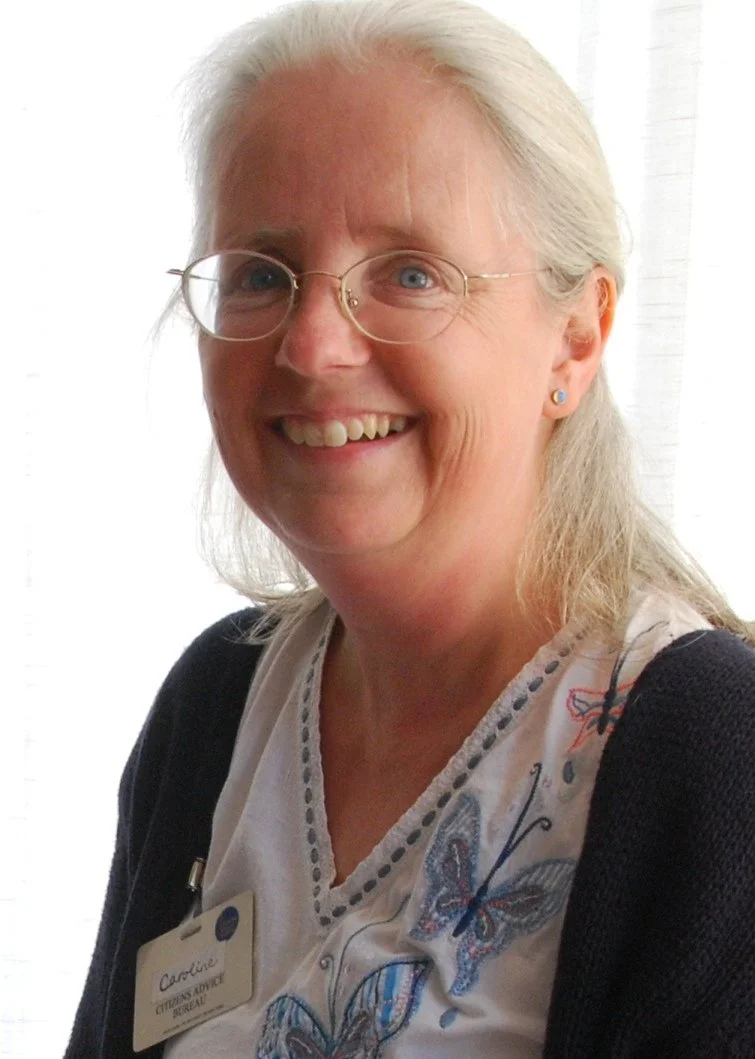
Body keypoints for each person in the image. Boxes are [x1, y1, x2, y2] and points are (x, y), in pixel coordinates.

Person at [66, 1, 755, 1056]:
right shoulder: (216, 704)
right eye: (261, 272)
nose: (311, 343)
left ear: (575, 338)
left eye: (410, 273)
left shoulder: (712, 759)